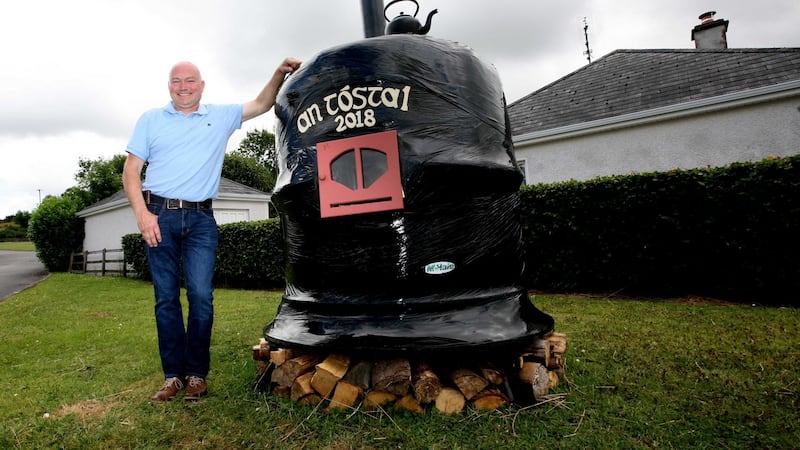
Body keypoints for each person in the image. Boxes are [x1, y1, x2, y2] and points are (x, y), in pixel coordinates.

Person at [122, 57, 301, 402]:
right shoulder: (150, 120)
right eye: (176, 81)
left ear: (201, 86)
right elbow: (131, 171)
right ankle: (173, 376)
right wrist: (143, 215)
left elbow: (263, 104)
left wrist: (278, 72)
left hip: (201, 220)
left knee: (201, 297)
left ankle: (195, 375)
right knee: (166, 299)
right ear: (169, 86)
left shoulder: (219, 116)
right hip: (159, 215)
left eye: (190, 80)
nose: (183, 86)